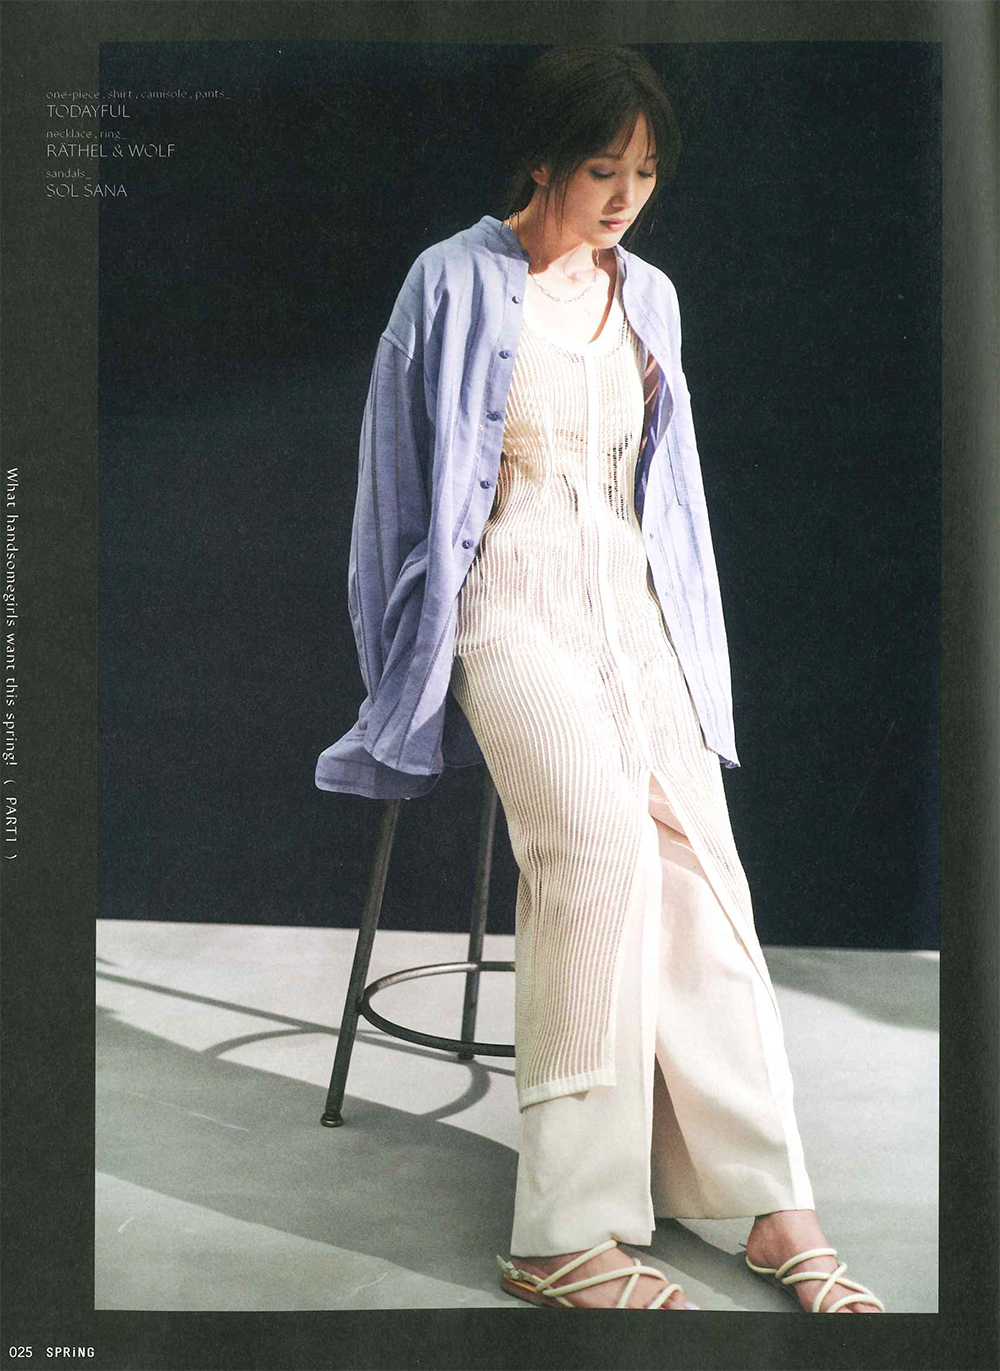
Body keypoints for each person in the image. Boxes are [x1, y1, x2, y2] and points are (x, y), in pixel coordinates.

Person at [315, 44, 884, 1313]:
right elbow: (390, 496)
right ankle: (561, 1230)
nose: (625, 196)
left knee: (703, 869)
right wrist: (398, 663)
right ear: (541, 159)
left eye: (646, 172)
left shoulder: (651, 297)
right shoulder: (449, 282)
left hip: (632, 611)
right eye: (599, 168)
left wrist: (687, 656)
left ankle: (770, 1202)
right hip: (503, 605)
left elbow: (667, 504)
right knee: (595, 844)